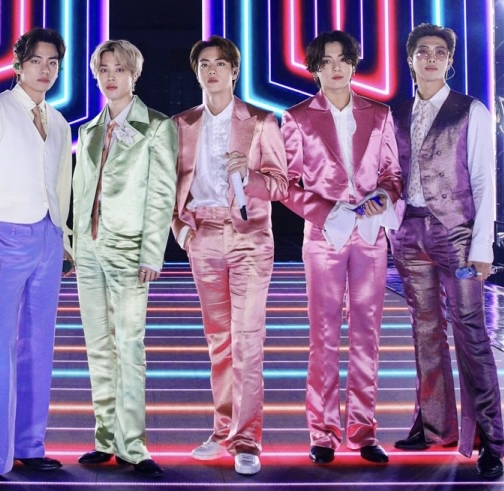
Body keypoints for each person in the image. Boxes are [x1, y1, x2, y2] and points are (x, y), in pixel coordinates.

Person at [0, 27, 73, 491]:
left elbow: (60, 184)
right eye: (37, 61)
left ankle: (29, 445)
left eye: (53, 63)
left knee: (40, 345)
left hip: (49, 236)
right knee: (0, 345)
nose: (45, 70)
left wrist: (63, 238)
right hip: (4, 236)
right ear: (18, 64)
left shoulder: (59, 121)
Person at [280, 30, 402, 465]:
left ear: (353, 64)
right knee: (324, 337)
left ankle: (364, 431)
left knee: (369, 336)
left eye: (343, 59)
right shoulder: (296, 117)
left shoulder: (379, 114)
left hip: (371, 237)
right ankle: (323, 432)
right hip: (324, 238)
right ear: (314, 69)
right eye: (326, 61)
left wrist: (384, 196)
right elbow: (286, 184)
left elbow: (392, 173)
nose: (335, 67)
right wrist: (327, 210)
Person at [388, 23, 504, 479]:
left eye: (440, 52)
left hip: (457, 236)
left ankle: (490, 440)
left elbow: (484, 181)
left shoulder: (470, 110)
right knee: (425, 332)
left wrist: (482, 245)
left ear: (450, 61)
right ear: (410, 59)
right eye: (423, 51)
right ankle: (435, 427)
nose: (431, 58)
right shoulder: (396, 113)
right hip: (409, 232)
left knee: (471, 333)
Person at [170, 35, 288, 476]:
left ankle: (247, 439)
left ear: (234, 71)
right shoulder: (182, 124)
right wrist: (182, 230)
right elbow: (169, 186)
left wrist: (250, 175)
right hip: (202, 234)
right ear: (196, 71)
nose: (212, 70)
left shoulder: (261, 121)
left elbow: (281, 184)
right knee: (218, 341)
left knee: (248, 340)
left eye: (221, 63)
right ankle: (222, 430)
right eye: (204, 63)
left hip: (249, 238)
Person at [72, 39, 177, 478]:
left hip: (130, 249)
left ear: (135, 74)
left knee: (129, 346)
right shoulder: (89, 130)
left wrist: (153, 252)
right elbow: (80, 192)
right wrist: (74, 245)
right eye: (104, 69)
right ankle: (105, 438)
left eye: (119, 69)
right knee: (98, 346)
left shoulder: (156, 126)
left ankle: (133, 444)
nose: (111, 76)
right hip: (88, 249)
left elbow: (162, 193)